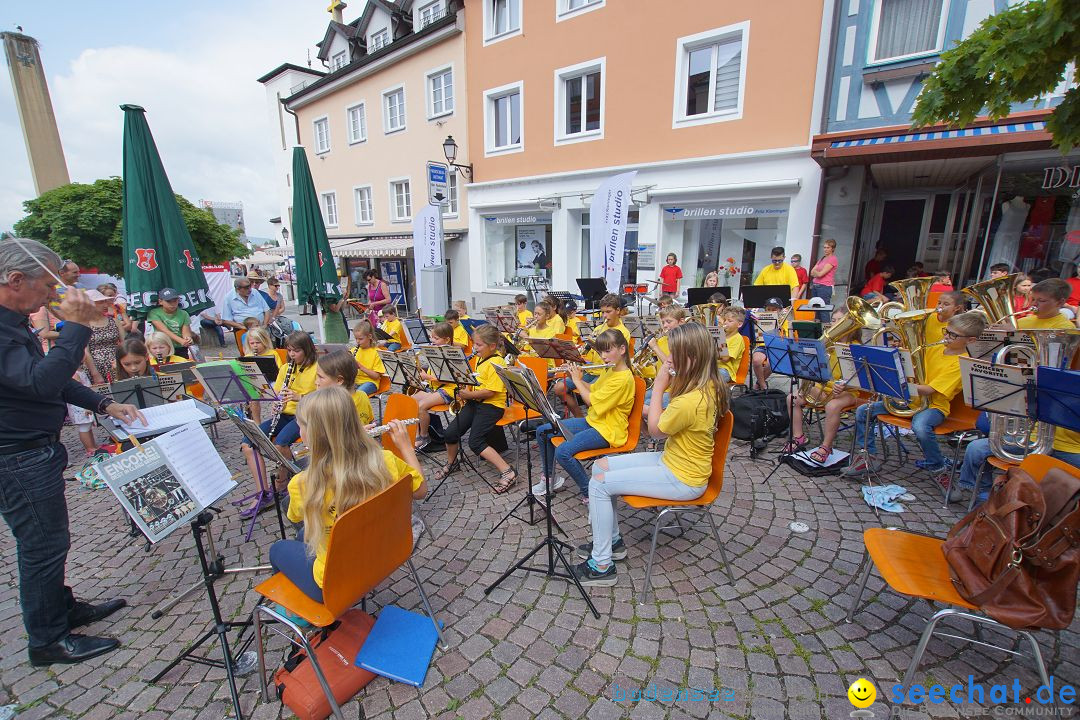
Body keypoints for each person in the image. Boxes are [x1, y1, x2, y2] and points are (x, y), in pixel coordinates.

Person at [0, 238, 143, 666]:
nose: (51, 295)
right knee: (42, 547)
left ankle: (61, 609)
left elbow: (48, 376)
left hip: (32, 450)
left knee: (51, 542)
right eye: (47, 286)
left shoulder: (14, 321)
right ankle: (47, 641)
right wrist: (78, 326)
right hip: (16, 456)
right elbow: (42, 382)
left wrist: (102, 402)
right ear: (15, 279)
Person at [572, 323, 730, 586]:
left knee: (599, 484)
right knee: (600, 466)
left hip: (684, 477)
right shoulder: (705, 386)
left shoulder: (691, 400)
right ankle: (612, 543)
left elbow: (655, 432)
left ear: (692, 357)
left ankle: (601, 566)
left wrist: (657, 386)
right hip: (674, 461)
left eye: (673, 354)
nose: (667, 359)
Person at [270, 387, 424, 602]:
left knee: (278, 549)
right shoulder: (386, 460)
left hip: (334, 584)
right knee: (301, 538)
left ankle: (298, 613)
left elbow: (295, 518)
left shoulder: (302, 485)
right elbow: (420, 491)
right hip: (384, 556)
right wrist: (406, 447)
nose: (298, 429)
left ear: (312, 434)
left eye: (301, 424)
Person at [843, 311, 988, 477]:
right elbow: (912, 367)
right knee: (864, 411)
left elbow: (929, 390)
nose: (947, 337)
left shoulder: (960, 363)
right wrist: (898, 356)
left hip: (934, 407)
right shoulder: (934, 348)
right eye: (946, 331)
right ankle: (867, 457)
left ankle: (937, 466)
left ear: (971, 340)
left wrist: (899, 384)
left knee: (920, 427)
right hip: (911, 401)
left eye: (953, 335)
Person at [532, 329, 635, 501]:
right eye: (601, 351)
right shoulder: (610, 370)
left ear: (622, 349)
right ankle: (550, 478)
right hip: (594, 421)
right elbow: (593, 389)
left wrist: (577, 381)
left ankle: (591, 496)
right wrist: (574, 375)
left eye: (608, 351)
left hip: (609, 430)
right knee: (543, 431)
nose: (603, 356)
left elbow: (591, 401)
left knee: (563, 452)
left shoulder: (623, 379)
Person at [240, 331, 318, 515]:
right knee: (248, 443)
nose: (291, 355)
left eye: (296, 351)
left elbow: (324, 397)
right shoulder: (285, 368)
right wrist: (277, 402)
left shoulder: (318, 368)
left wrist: (299, 397)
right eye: (289, 350)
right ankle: (263, 492)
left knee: (280, 443)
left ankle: (286, 479)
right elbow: (275, 394)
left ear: (307, 350)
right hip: (285, 414)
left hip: (305, 416)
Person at [431, 325, 516, 493]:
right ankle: (452, 463)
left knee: (475, 442)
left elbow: (491, 391)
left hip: (492, 405)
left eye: (478, 345)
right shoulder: (481, 358)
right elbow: (477, 381)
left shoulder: (497, 362)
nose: (475, 348)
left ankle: (508, 472)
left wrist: (467, 395)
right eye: (474, 344)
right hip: (475, 401)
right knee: (450, 434)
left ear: (492, 346)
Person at [785, 307, 859, 459]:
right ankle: (799, 437)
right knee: (792, 398)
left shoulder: (856, 347)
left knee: (832, 405)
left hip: (848, 391)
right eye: (833, 320)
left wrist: (845, 385)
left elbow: (860, 378)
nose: (836, 324)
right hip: (824, 387)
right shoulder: (827, 344)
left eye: (841, 321)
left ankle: (826, 446)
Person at [553, 294, 630, 418]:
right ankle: (579, 417)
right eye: (603, 312)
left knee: (593, 398)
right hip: (591, 369)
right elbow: (588, 353)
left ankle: (592, 421)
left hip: (605, 372)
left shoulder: (622, 332)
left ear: (618, 311)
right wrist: (577, 355)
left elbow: (615, 359)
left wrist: (596, 347)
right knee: (559, 387)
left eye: (608, 312)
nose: (604, 316)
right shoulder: (599, 328)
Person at [411, 322, 457, 449]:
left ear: (447, 339)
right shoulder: (435, 351)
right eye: (432, 337)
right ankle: (415, 435)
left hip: (449, 390)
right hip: (434, 388)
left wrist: (427, 377)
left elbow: (449, 379)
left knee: (421, 406)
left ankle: (424, 436)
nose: (432, 341)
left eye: (436, 338)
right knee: (410, 402)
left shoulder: (452, 354)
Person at [316, 350, 373, 426]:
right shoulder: (363, 396)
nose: (316, 382)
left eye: (320, 377)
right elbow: (371, 421)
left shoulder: (330, 406)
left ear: (339, 380)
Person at [82, 289, 125, 384]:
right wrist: (95, 374)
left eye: (105, 302)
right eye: (100, 302)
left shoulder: (114, 321)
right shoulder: (84, 324)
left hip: (116, 365)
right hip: (96, 367)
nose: (105, 305)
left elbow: (125, 344)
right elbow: (86, 351)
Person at [243, 326, 279, 425]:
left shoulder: (272, 353)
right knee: (252, 397)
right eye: (252, 343)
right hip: (255, 382)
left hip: (271, 381)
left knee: (277, 391)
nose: (255, 346)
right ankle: (257, 423)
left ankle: (275, 419)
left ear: (264, 341)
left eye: (258, 343)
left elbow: (279, 372)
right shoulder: (248, 356)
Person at [750, 298, 788, 390]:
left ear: (780, 311)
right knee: (756, 361)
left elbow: (785, 339)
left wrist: (779, 328)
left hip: (776, 347)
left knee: (772, 363)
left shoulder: (784, 322)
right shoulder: (759, 320)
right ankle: (763, 386)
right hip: (762, 346)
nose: (771, 311)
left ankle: (759, 385)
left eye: (774, 309)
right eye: (768, 309)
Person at [146, 288, 193, 358]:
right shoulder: (154, 313)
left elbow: (186, 332)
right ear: (160, 302)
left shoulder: (184, 314)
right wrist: (181, 340)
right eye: (169, 301)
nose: (173, 304)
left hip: (180, 347)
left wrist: (188, 339)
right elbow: (164, 330)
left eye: (175, 301)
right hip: (162, 348)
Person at [350, 320, 386, 395]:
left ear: (369, 336)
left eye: (360, 339)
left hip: (370, 382)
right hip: (354, 381)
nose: (357, 342)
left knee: (357, 395)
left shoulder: (377, 352)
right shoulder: (353, 351)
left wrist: (360, 367)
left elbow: (376, 376)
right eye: (356, 339)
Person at [717, 306, 747, 385]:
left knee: (710, 378)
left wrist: (719, 337)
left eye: (730, 321)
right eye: (724, 320)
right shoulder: (722, 335)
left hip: (726, 371)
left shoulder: (737, 339)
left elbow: (725, 358)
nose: (725, 323)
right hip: (713, 367)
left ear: (739, 324)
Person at [808, 239, 838, 314]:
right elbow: (812, 272)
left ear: (833, 249)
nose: (825, 249)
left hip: (824, 286)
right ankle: (817, 324)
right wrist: (817, 273)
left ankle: (825, 325)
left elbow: (820, 274)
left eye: (828, 247)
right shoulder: (822, 258)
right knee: (816, 309)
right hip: (816, 286)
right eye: (824, 247)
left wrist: (817, 273)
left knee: (823, 310)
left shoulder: (832, 259)